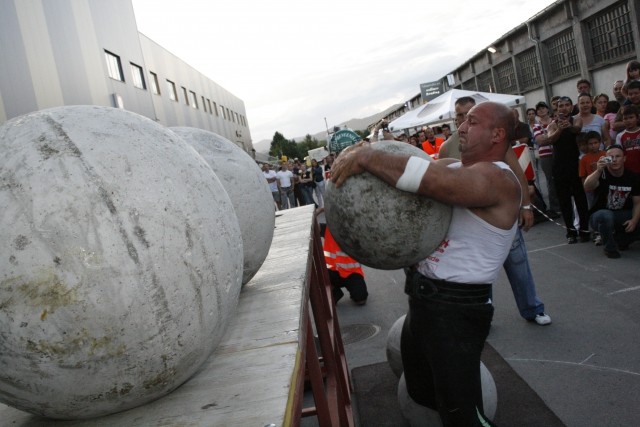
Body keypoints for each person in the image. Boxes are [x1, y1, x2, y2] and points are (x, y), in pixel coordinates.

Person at [332, 101, 521, 426]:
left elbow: (430, 181)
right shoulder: (455, 167)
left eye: (471, 122)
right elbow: (410, 167)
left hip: (456, 312)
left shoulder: (498, 179)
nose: (460, 127)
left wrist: (365, 156)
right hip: (424, 303)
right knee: (422, 392)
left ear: (497, 134)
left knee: (463, 416)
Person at [445, 101, 551, 326]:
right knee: (479, 274)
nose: (464, 121)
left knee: (518, 264)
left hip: (503, 220)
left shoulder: (497, 144)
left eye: (470, 116)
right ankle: (484, 314)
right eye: (460, 116)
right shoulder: (447, 148)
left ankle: (532, 308)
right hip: (471, 225)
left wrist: (525, 206)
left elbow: (517, 173)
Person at [546, 96, 591, 243]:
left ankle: (584, 231)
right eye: (560, 106)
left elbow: (578, 129)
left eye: (566, 105)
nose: (563, 108)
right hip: (559, 167)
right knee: (564, 200)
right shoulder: (552, 125)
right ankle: (570, 232)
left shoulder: (576, 119)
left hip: (575, 165)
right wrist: (560, 128)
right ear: (556, 109)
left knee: (580, 199)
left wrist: (568, 126)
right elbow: (550, 139)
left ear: (571, 107)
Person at [584, 144, 640, 258]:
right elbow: (587, 186)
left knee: (637, 218)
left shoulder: (633, 177)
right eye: (611, 157)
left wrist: (634, 221)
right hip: (600, 215)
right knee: (605, 215)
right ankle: (609, 248)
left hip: (622, 214)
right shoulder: (602, 173)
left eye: (618, 156)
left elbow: (637, 202)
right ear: (605, 159)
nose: (614, 160)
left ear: (624, 158)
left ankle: (621, 240)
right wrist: (598, 170)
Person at [322, 223, 369, 305]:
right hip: (333, 272)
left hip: (352, 274)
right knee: (318, 275)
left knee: (361, 300)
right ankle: (335, 291)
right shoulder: (327, 228)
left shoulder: (355, 229)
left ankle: (355, 290)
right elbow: (313, 226)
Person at [532, 101, 561, 216]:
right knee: (550, 180)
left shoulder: (555, 122)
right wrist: (552, 136)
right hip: (545, 156)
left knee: (561, 178)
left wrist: (547, 137)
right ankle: (555, 207)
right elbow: (539, 140)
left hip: (558, 153)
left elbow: (558, 136)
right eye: (539, 109)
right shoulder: (536, 126)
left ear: (548, 109)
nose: (541, 110)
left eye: (543, 108)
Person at [579, 131, 606, 208]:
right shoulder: (584, 159)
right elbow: (583, 176)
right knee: (592, 207)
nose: (593, 145)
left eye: (595, 143)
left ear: (600, 142)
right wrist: (586, 189)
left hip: (604, 186)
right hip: (591, 189)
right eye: (590, 144)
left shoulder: (605, 154)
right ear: (587, 145)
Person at [615, 104, 640, 174]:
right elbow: (618, 153)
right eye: (625, 118)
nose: (628, 120)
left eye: (631, 117)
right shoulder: (620, 136)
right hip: (628, 170)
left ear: (637, 118)